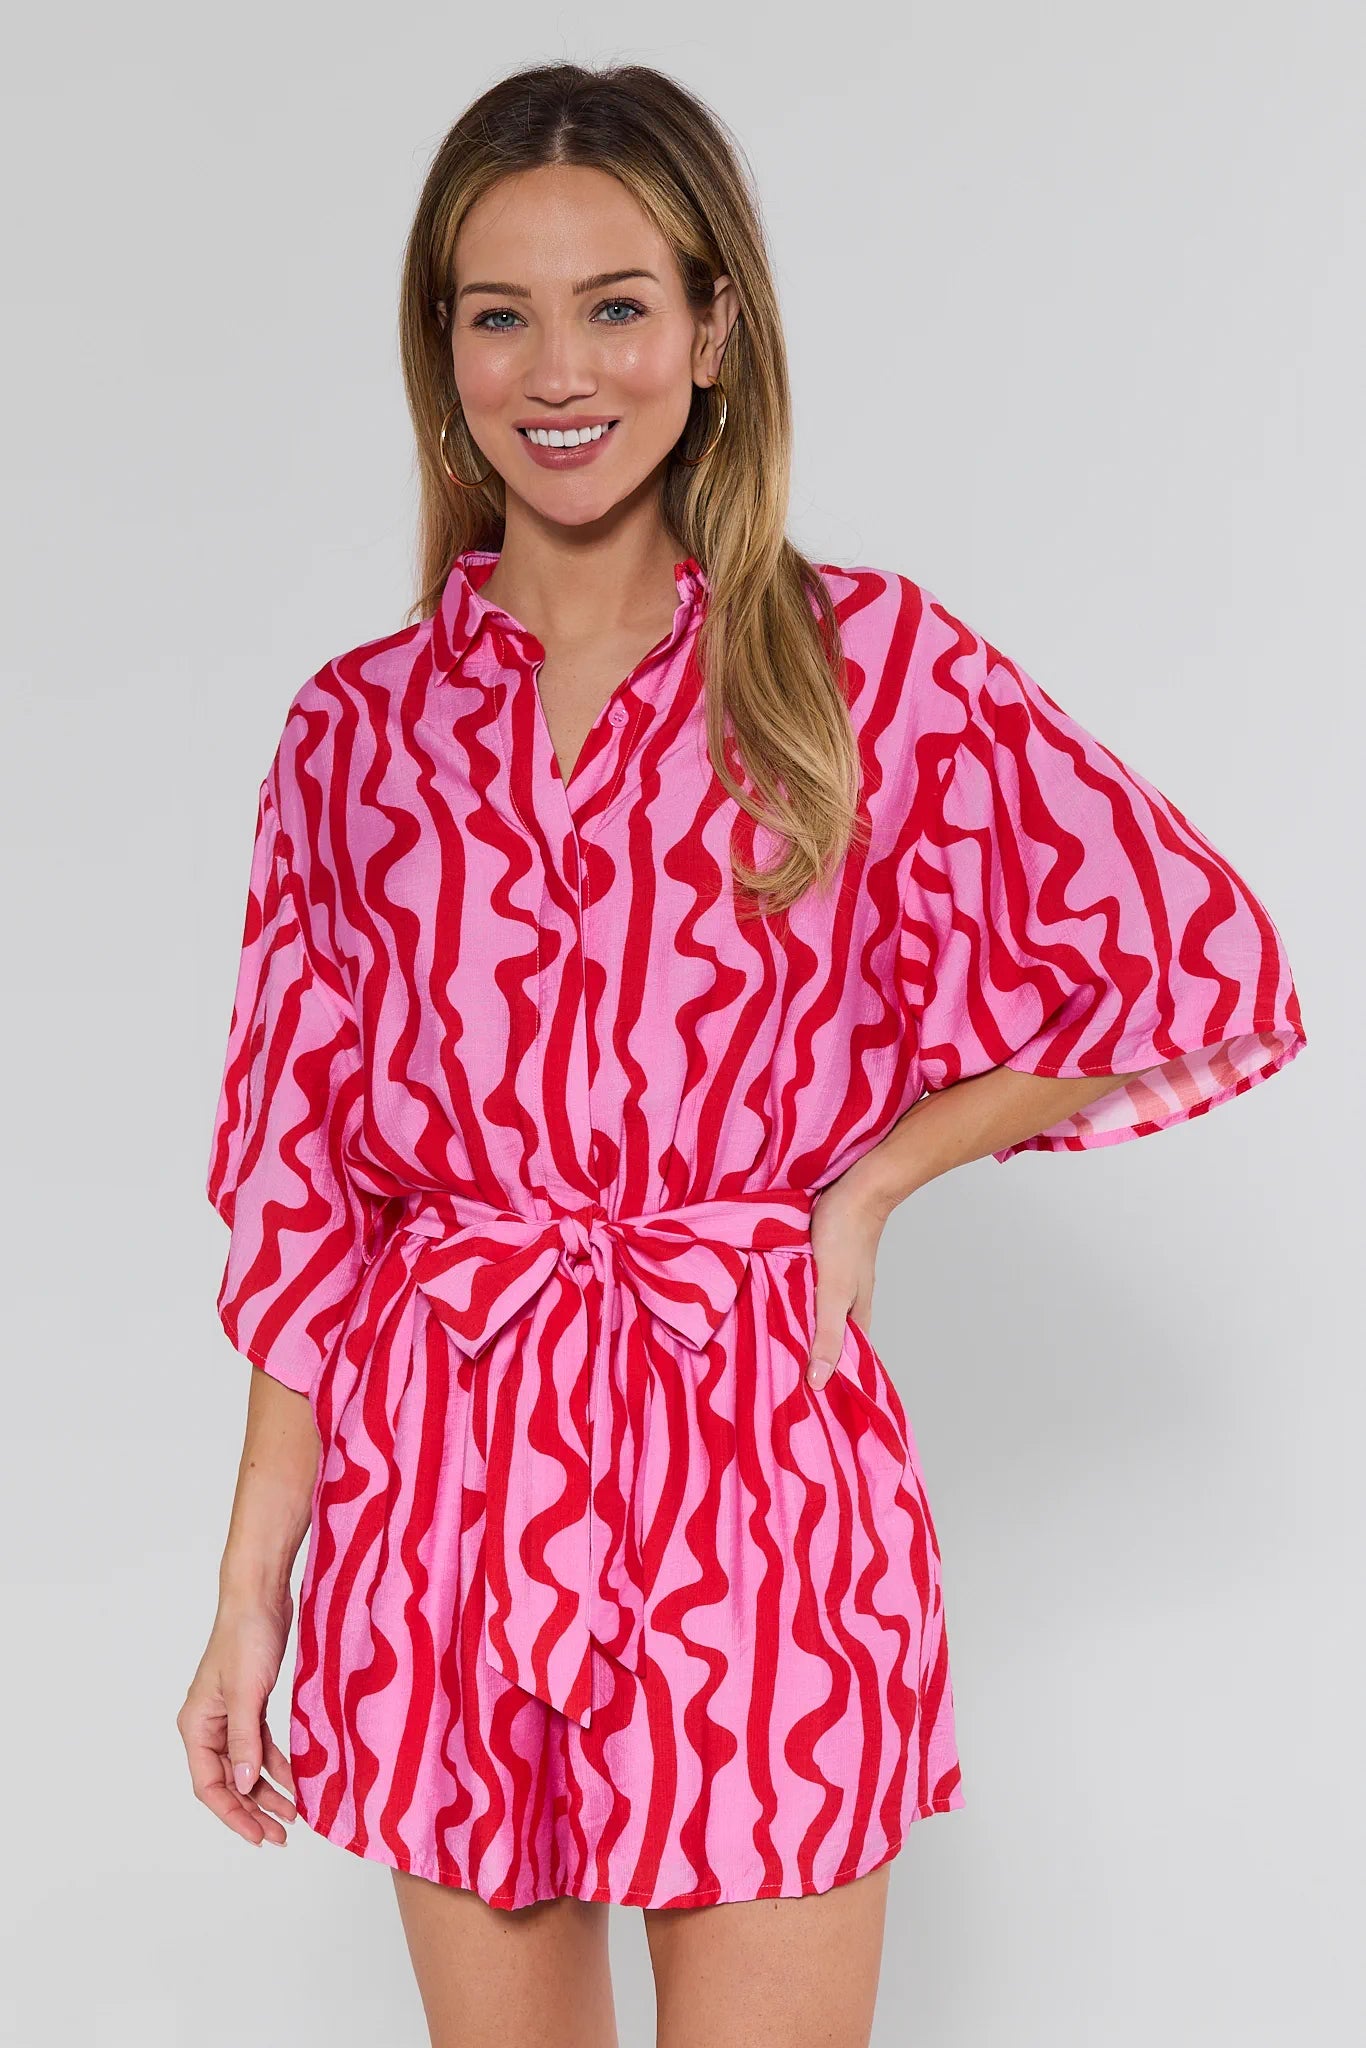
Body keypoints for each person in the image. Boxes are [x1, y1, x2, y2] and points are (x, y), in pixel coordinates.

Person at [177, 59, 1308, 2048]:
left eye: (616, 302)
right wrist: (250, 1591)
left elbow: (1191, 960)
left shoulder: (858, 670)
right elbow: (305, 1202)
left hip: (758, 1498)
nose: (559, 365)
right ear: (438, 353)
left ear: (711, 331)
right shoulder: (355, 739)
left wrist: (868, 1176)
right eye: (496, 309)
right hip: (440, 1497)